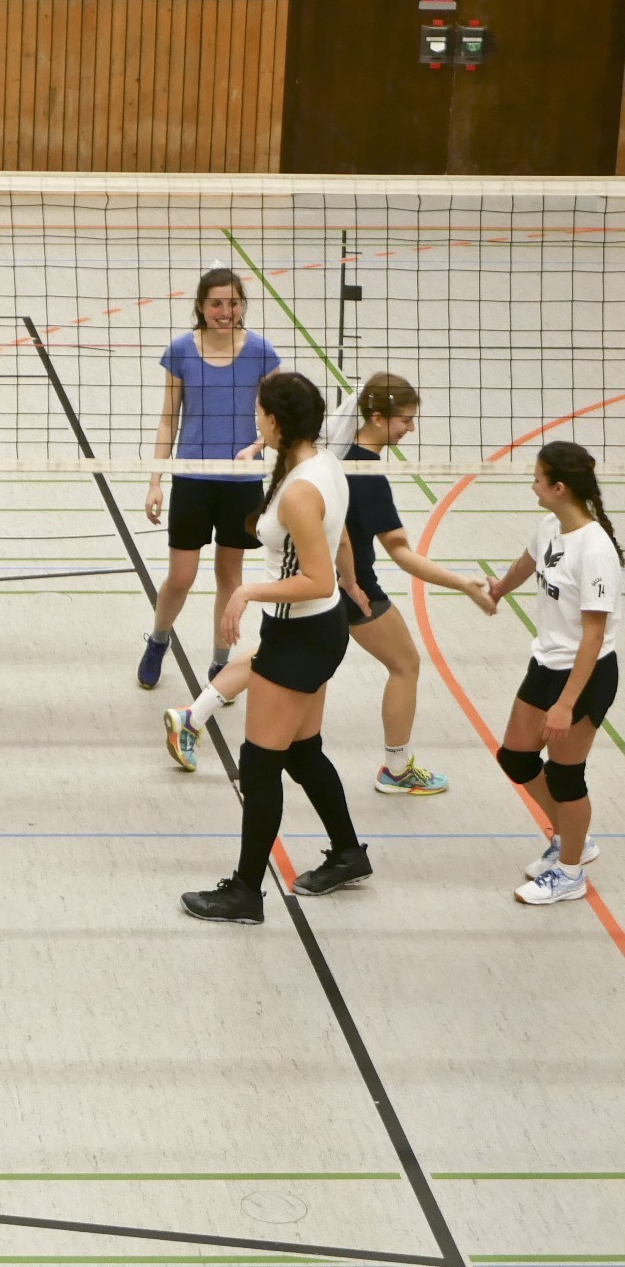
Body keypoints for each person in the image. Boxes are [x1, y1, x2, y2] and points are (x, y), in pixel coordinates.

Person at [163, 373, 497, 787]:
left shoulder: (330, 457)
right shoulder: (365, 477)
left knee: (271, 655)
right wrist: (462, 583)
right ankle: (396, 768)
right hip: (348, 591)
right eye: (406, 420)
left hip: (333, 585)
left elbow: (339, 536)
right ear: (377, 418)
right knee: (405, 665)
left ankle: (192, 717)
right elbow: (400, 552)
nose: (411, 428)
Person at [181, 373, 368, 925]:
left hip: (300, 637)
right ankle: (349, 853)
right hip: (315, 630)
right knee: (303, 754)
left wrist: (246, 591)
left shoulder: (301, 491)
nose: (254, 419)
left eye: (260, 413)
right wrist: (353, 584)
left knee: (260, 766)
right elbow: (339, 538)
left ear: (277, 421)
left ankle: (245, 893)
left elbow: (316, 578)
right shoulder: (322, 464)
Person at [489, 441, 622, 906]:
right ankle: (573, 839)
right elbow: (527, 563)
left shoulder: (595, 549)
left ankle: (569, 873)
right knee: (516, 757)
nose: (533, 486)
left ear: (559, 487)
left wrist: (566, 704)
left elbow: (594, 636)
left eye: (538, 479)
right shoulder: (550, 526)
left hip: (584, 675)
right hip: (545, 663)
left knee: (566, 778)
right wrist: (499, 589)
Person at [140, 268, 281, 692]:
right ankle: (158, 639)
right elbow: (168, 420)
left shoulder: (261, 352)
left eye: (233, 303)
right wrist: (155, 481)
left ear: (243, 305)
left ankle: (220, 663)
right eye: (216, 303)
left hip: (241, 481)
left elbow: (277, 419)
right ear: (201, 306)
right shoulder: (182, 350)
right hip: (193, 479)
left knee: (229, 577)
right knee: (181, 577)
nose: (225, 311)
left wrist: (256, 448)